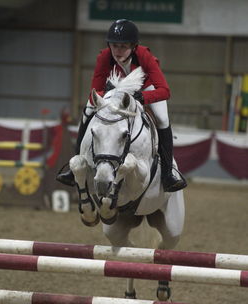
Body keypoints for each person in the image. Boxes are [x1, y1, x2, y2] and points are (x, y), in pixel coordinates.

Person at [57, 19, 186, 192]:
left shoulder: (145, 56)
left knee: (162, 118)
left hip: (144, 88)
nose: (117, 51)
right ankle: (76, 165)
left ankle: (168, 174)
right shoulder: (104, 56)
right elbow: (95, 90)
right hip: (115, 89)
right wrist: (110, 96)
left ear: (133, 46)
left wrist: (142, 96)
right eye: (114, 45)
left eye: (123, 46)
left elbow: (165, 91)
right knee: (87, 111)